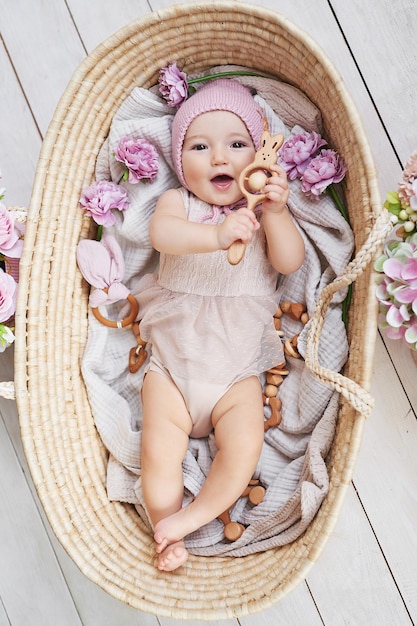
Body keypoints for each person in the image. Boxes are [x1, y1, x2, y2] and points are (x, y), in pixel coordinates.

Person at [136, 79, 305, 571]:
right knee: (158, 452)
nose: (219, 159)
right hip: (172, 366)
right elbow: (163, 236)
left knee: (245, 445)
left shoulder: (260, 217)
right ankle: (165, 528)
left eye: (236, 145)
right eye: (199, 146)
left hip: (236, 373)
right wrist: (215, 234)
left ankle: (196, 516)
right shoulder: (178, 205)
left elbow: (290, 263)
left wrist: (276, 213)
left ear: (257, 159)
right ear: (178, 158)